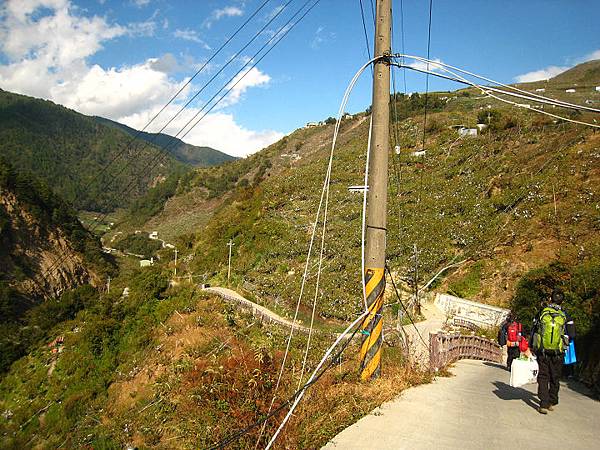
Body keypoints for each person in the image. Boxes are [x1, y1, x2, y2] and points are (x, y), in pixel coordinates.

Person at [531, 290, 575, 414]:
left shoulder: (541, 312)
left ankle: (543, 404)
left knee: (543, 376)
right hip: (558, 352)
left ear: (550, 298)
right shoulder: (566, 315)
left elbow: (534, 329)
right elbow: (572, 334)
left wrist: (532, 347)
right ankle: (552, 401)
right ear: (563, 300)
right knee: (555, 377)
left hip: (543, 350)